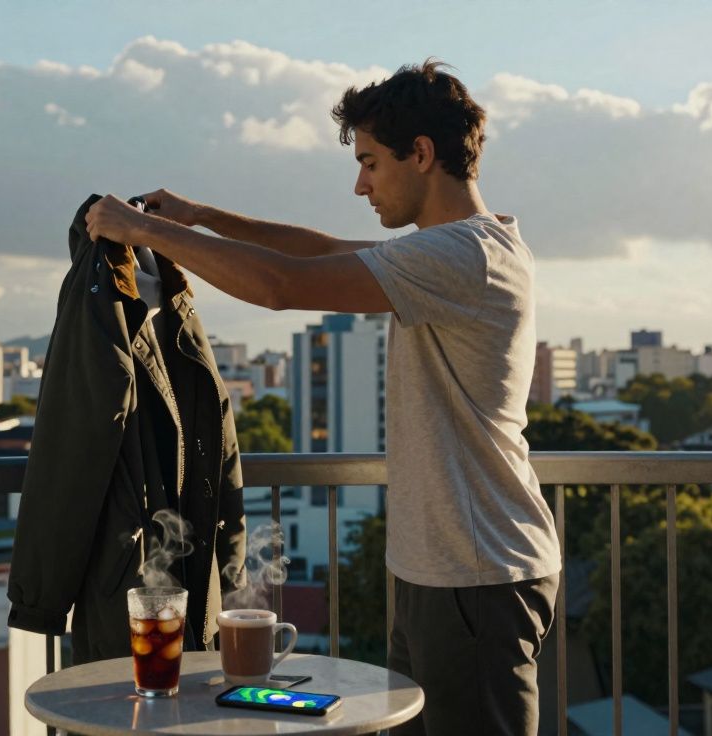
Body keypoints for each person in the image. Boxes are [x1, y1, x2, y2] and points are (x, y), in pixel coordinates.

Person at [85, 59, 561, 735]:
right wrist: (202, 217)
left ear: (420, 155)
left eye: (370, 162)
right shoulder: (456, 249)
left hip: (475, 578)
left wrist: (147, 233)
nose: (360, 183)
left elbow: (282, 286)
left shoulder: (463, 256)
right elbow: (322, 251)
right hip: (448, 571)